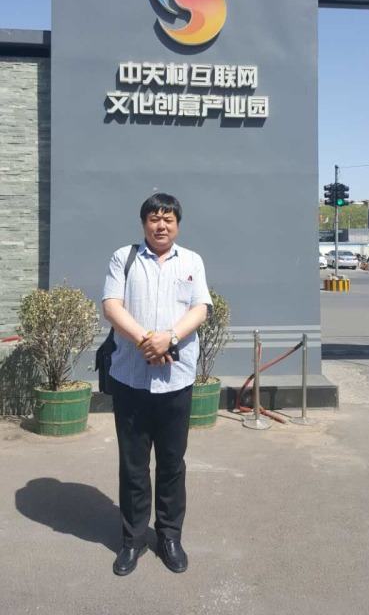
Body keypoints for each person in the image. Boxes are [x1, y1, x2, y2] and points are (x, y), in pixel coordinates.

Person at [102, 193, 212, 577]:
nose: (160, 225)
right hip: (131, 379)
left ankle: (169, 536)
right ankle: (132, 540)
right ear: (144, 223)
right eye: (154, 218)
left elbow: (200, 308)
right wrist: (146, 341)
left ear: (177, 224)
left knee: (172, 464)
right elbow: (111, 305)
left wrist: (170, 338)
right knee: (133, 466)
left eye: (168, 219)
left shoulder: (192, 261)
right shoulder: (124, 258)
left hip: (175, 381)